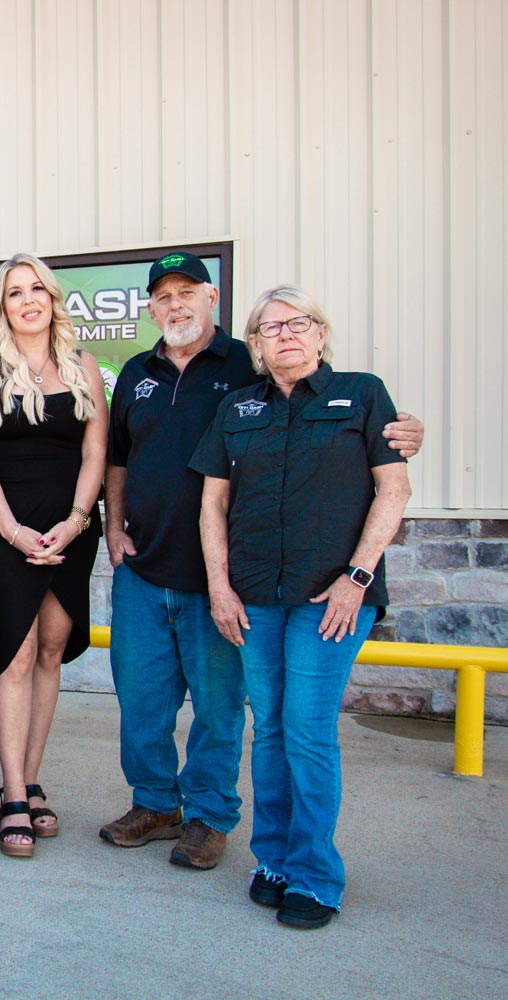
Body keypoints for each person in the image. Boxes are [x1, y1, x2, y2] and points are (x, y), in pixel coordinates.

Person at [99, 252, 424, 871]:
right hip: (146, 564)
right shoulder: (139, 374)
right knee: (142, 698)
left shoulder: (245, 375)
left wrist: (409, 431)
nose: (175, 304)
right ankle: (153, 802)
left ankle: (209, 816)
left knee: (223, 707)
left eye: (187, 291)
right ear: (149, 307)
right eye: (163, 296)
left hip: (225, 578)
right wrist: (112, 527)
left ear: (212, 298)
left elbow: (347, 443)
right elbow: (118, 460)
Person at [193, 286, 411, 930]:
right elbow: (212, 506)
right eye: (269, 327)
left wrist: (357, 577)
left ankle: (316, 875)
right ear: (255, 345)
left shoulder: (363, 394)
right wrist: (219, 586)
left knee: (309, 729)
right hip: (255, 596)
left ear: (320, 333)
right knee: (273, 729)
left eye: (298, 323)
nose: (285, 334)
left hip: (333, 599)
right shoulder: (238, 407)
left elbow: (393, 490)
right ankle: (276, 861)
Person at [0, 254, 107, 859]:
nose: (28, 300)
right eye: (16, 292)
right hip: (7, 530)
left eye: (37, 289)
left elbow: (96, 452)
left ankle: (33, 777)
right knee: (15, 657)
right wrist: (16, 534)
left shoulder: (85, 367)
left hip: (71, 531)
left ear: (52, 299)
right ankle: (13, 793)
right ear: (2, 304)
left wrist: (75, 523)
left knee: (51, 652)